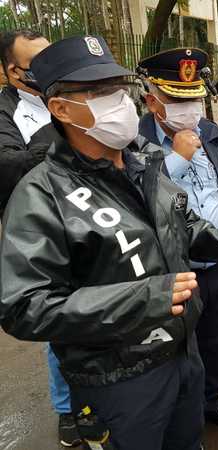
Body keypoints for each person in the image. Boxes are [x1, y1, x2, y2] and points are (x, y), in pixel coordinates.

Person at [0, 35, 218, 450]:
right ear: (59, 107)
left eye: (117, 87)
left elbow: (188, 229)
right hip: (117, 380)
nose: (117, 100)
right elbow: (25, 307)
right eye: (97, 91)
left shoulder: (143, 160)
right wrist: (147, 299)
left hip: (182, 356)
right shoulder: (41, 193)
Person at [137, 48, 218, 431]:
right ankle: (180, 419)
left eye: (194, 99)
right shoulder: (134, 144)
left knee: (214, 340)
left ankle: (211, 401)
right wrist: (176, 160)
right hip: (173, 272)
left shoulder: (213, 134)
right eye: (176, 100)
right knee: (174, 348)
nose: (189, 109)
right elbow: (138, 204)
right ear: (153, 101)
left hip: (216, 264)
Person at [0, 29, 81, 448]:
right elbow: (7, 168)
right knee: (60, 321)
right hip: (42, 234)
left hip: (89, 224)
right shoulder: (7, 113)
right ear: (15, 71)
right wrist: (62, 130)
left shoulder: (74, 94)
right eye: (39, 63)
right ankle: (69, 411)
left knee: (99, 311)